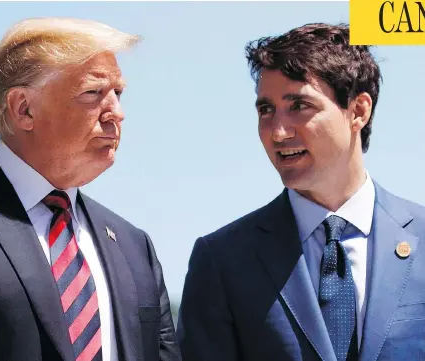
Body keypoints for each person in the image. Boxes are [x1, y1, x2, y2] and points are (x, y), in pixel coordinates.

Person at [176, 23, 425, 361]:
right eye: (266, 110)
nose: (277, 132)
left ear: (358, 111)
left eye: (299, 106)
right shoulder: (221, 261)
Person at [0, 17, 181, 361]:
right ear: (24, 109)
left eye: (118, 93)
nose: (116, 113)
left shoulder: (133, 246)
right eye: (93, 93)